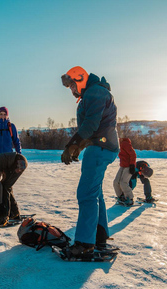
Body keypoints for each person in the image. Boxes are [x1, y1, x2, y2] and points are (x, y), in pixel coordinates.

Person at [60, 66, 120, 258]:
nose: (72, 91)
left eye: (72, 86)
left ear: (81, 80)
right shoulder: (94, 92)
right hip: (101, 146)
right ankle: (99, 237)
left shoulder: (95, 92)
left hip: (101, 148)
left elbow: (91, 125)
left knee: (86, 194)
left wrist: (73, 144)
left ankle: (85, 244)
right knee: (95, 193)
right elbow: (95, 129)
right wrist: (79, 146)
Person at [113, 137, 137, 206]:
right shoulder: (117, 144)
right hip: (123, 165)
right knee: (116, 182)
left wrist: (132, 165)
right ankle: (121, 196)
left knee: (123, 182)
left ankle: (130, 199)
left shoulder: (124, 144)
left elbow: (133, 154)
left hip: (129, 166)